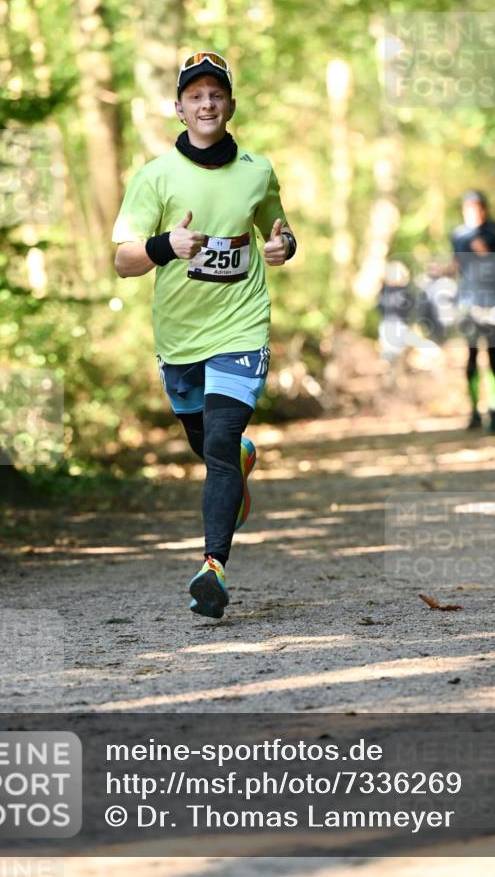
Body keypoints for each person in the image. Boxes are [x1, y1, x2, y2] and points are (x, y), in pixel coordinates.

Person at [112, 51, 296, 618]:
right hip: (179, 337)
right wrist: (167, 245)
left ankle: (212, 567)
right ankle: (239, 459)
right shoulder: (155, 177)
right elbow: (122, 261)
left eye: (216, 94)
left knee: (216, 446)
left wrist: (282, 247)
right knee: (209, 445)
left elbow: (280, 231)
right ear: (180, 107)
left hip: (241, 326)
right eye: (196, 96)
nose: (207, 103)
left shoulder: (258, 170)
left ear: (230, 105)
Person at [450, 190, 495, 433]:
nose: (475, 213)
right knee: (470, 357)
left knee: (492, 357)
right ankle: (474, 412)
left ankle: (493, 411)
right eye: (469, 208)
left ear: (485, 208)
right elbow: (457, 265)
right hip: (469, 302)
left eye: (478, 207)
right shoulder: (458, 235)